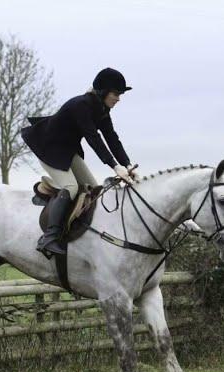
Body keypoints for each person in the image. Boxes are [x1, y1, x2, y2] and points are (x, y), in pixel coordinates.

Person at [21, 67, 139, 256]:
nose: (118, 98)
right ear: (103, 91)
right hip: (49, 148)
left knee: (93, 188)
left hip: (67, 151)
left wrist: (127, 165)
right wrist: (115, 166)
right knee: (72, 188)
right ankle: (49, 237)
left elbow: (112, 139)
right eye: (116, 93)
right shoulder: (81, 105)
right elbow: (93, 138)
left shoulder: (102, 110)